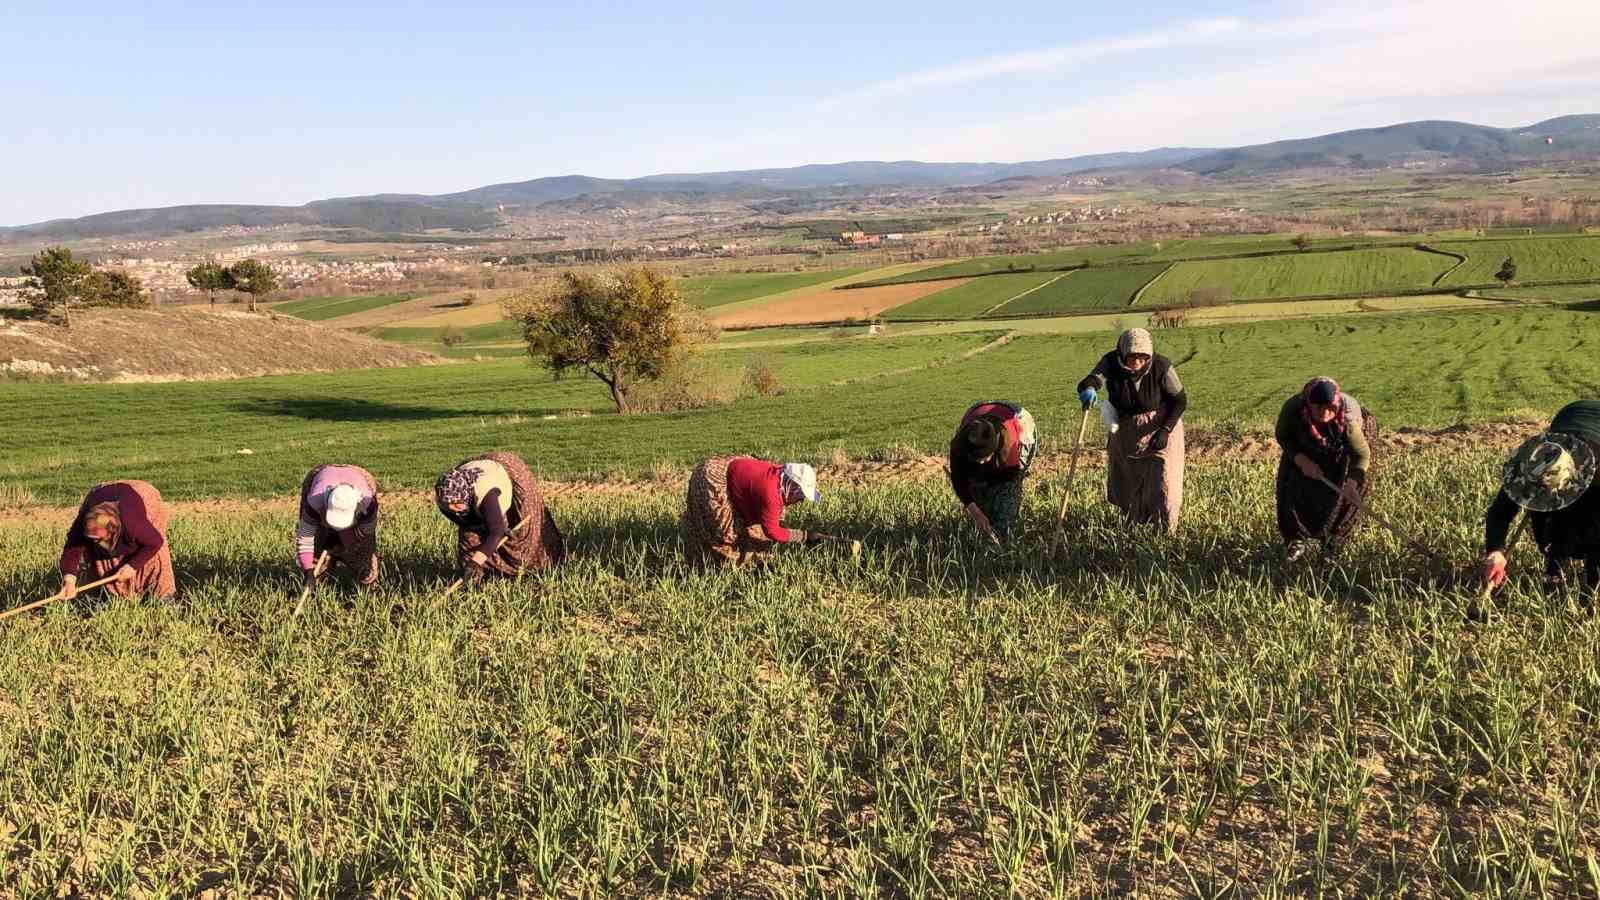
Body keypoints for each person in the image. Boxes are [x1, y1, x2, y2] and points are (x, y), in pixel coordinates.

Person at [1482, 400, 1600, 596]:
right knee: (1542, 509)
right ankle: (1555, 560)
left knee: (1593, 520)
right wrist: (1496, 552)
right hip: (1570, 415)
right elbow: (1499, 513)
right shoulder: (1530, 466)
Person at [1076, 328, 1188, 533]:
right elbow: (1093, 379)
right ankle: (1133, 529)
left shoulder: (1161, 366)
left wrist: (1165, 431)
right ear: (1122, 354)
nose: (1137, 363)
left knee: (1162, 483)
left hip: (1160, 429)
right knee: (1128, 483)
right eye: (1132, 357)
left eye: (1142, 358)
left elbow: (1180, 401)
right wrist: (1088, 388)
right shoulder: (1110, 362)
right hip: (1126, 431)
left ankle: (1165, 533)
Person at [1273, 377, 1378, 562]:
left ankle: (1333, 545)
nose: (1325, 413)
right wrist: (1302, 460)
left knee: (1344, 495)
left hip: (1343, 445)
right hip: (1304, 441)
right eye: (1318, 408)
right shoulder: (1294, 409)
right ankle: (1295, 540)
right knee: (1291, 485)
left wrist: (1352, 482)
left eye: (1330, 407)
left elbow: (1361, 455)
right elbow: (1283, 436)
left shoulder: (1348, 422)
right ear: (1308, 405)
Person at [435, 451, 565, 581]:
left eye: (457, 503)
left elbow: (497, 532)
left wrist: (475, 562)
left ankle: (543, 567)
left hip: (508, 471)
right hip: (481, 468)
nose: (454, 507)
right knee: (470, 538)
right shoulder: (445, 499)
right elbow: (466, 524)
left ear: (465, 494)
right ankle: (475, 579)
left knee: (525, 533)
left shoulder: (486, 493)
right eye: (450, 504)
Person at [682, 456, 824, 566]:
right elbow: (772, 532)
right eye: (801, 495)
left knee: (757, 531)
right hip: (713, 481)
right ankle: (708, 564)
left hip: (733, 472)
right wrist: (804, 536)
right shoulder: (770, 495)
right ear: (792, 486)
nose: (801, 500)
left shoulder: (780, 473)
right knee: (725, 535)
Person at [57, 480, 176, 602]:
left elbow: (155, 542)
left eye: (99, 539)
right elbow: (72, 548)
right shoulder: (84, 523)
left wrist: (132, 566)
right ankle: (107, 597)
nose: (96, 542)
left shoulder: (132, 523)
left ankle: (164, 599)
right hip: (101, 493)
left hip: (139, 495)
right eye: (92, 539)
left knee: (155, 556)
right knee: (95, 553)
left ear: (113, 530)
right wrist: (69, 580)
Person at [948, 400, 1037, 543]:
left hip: (1018, 419)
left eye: (984, 459)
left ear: (994, 450)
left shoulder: (1008, 445)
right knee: (976, 489)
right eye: (976, 460)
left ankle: (1001, 535)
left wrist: (992, 500)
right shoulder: (960, 443)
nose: (981, 463)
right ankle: (984, 521)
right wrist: (976, 512)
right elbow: (958, 479)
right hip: (978, 411)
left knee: (1006, 494)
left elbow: (1009, 478)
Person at [295, 464, 380, 590]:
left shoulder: (367, 504)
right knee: (318, 546)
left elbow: (365, 531)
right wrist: (308, 570)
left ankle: (368, 585)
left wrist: (343, 539)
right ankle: (318, 582)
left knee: (362, 549)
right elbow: (305, 538)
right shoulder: (313, 501)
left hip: (360, 476)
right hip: (320, 476)